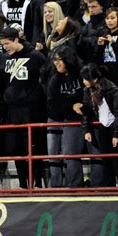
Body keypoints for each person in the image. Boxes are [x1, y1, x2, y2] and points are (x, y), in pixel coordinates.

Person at [0, 27, 47, 189]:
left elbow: (46, 80)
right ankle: (22, 184)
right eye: (3, 44)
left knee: (34, 147)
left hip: (32, 110)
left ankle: (38, 183)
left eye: (7, 43)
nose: (5, 47)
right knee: (16, 148)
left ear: (16, 40)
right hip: (11, 110)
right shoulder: (4, 59)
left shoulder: (36, 56)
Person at [74, 63, 118, 188]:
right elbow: (86, 111)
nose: (84, 82)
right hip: (102, 125)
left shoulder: (111, 88)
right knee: (105, 158)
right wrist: (86, 130)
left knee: (116, 158)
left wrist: (117, 133)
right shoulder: (87, 90)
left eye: (86, 79)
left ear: (95, 79)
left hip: (113, 123)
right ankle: (110, 186)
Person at [45, 45, 84, 188]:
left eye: (59, 60)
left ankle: (74, 187)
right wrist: (71, 106)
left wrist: (71, 107)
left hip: (74, 119)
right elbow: (52, 104)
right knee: (53, 154)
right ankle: (56, 187)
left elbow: (83, 99)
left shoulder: (80, 74)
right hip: (55, 117)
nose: (57, 64)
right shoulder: (54, 79)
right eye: (54, 61)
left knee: (70, 153)